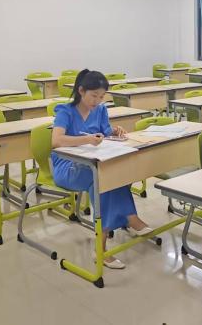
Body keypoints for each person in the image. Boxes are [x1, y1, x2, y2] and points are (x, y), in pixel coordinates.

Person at [51, 69, 152, 270]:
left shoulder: (100, 110)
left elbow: (105, 133)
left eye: (101, 96)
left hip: (94, 162)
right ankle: (117, 231)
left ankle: (120, 226)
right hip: (68, 167)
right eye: (94, 95)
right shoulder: (65, 111)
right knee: (102, 178)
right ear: (81, 91)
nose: (97, 101)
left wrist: (115, 131)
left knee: (114, 171)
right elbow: (56, 140)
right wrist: (87, 139)